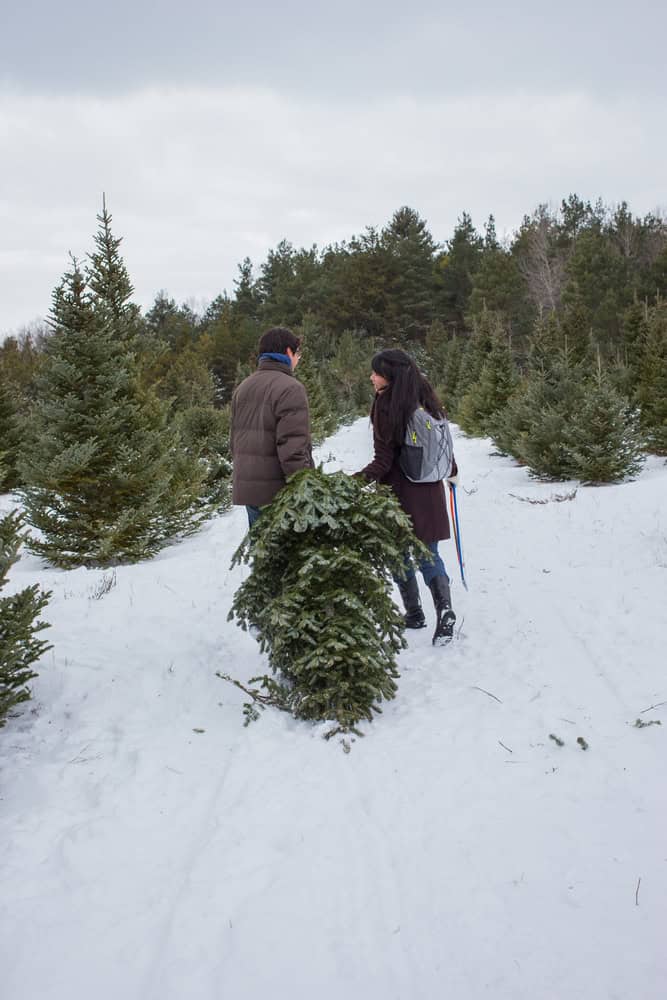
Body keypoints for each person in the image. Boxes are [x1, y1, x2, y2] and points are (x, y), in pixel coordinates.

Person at [356, 348, 458, 644]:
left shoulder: (386, 405)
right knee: (429, 554)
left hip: (399, 493)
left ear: (389, 376)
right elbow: (443, 445)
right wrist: (451, 471)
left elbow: (383, 460)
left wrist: (352, 483)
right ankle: (445, 609)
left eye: (376, 372)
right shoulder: (426, 397)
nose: (371, 377)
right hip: (430, 490)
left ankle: (414, 613)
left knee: (399, 553)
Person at [230, 326, 313, 528]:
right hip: (278, 492)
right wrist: (307, 487)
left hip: (249, 489)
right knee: (285, 557)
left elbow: (234, 440)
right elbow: (292, 448)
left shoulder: (244, 386)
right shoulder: (290, 388)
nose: (298, 359)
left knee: (263, 555)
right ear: (288, 352)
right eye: (297, 353)